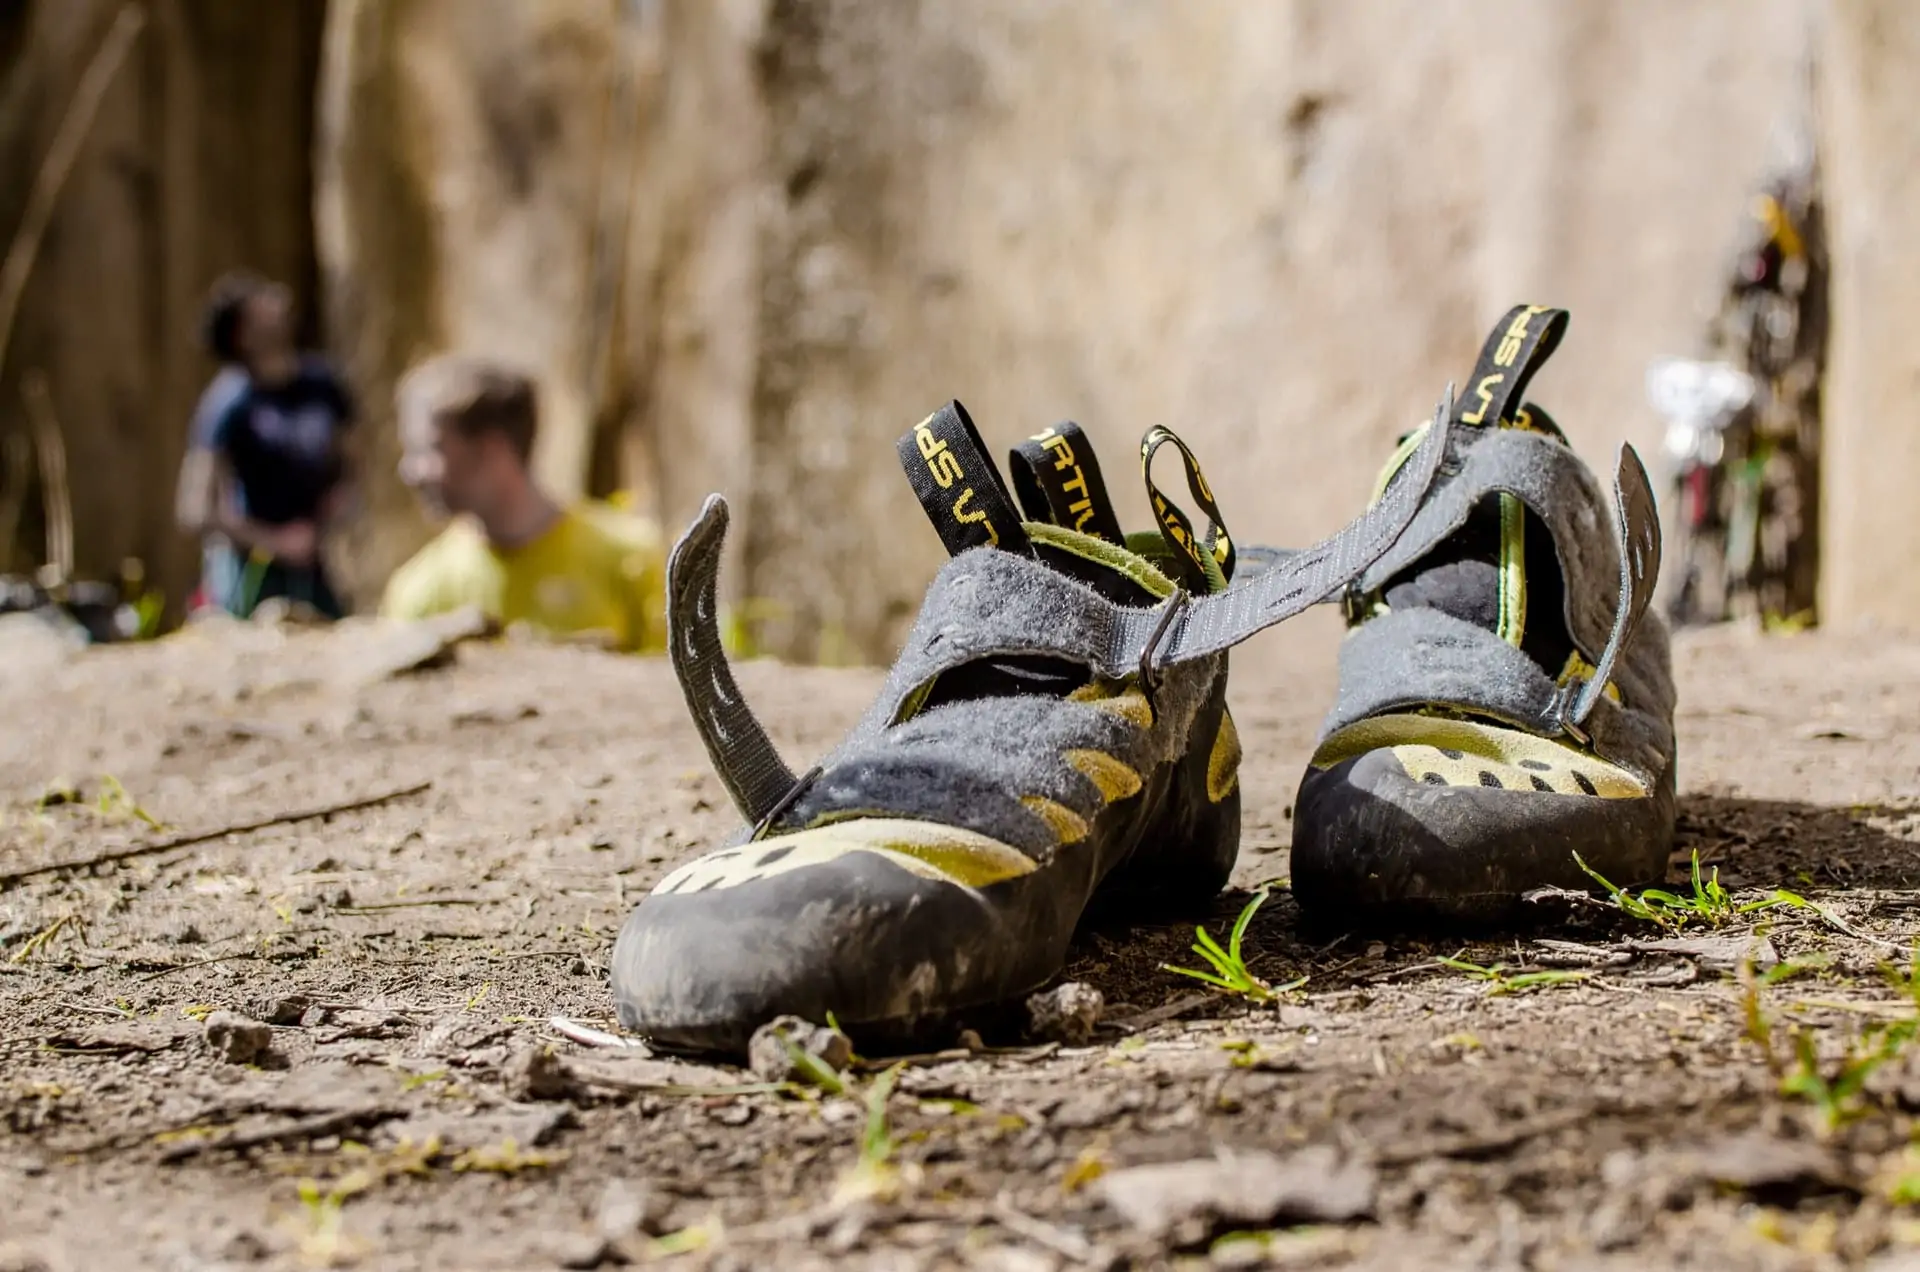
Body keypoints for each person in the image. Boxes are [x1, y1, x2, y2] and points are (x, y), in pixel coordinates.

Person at [381, 353, 666, 653]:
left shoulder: (630, 560)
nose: (411, 472)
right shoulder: (422, 592)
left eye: (429, 450)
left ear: (492, 449)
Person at [175, 273, 355, 618]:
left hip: (314, 563)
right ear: (242, 335)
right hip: (249, 572)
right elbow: (195, 508)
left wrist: (334, 509)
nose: (276, 301)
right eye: (260, 307)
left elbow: (349, 460)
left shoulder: (323, 384)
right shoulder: (227, 405)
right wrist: (276, 541)